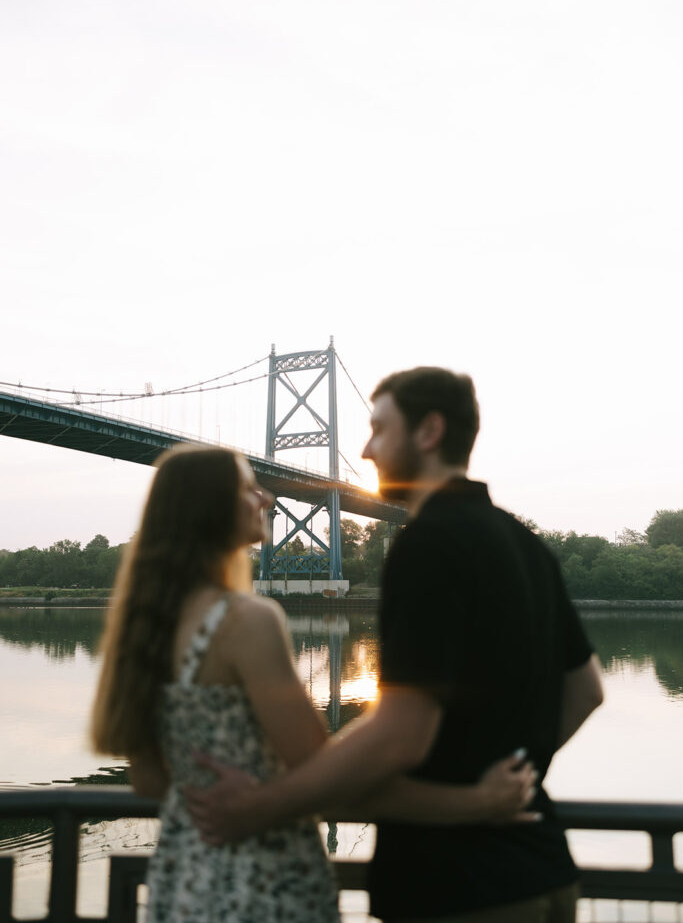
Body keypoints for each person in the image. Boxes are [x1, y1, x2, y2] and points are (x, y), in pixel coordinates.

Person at [187, 369, 604, 923]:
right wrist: (513, 774)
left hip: (454, 888)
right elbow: (586, 690)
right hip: (545, 872)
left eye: (379, 429)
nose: (364, 449)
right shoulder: (524, 542)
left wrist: (261, 804)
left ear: (429, 431)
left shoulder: (427, 543)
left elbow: (401, 735)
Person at [90, 442, 536, 923]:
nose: (266, 498)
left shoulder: (144, 628)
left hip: (182, 883)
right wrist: (476, 804)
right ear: (211, 508)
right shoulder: (246, 620)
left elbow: (153, 782)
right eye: (248, 488)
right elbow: (326, 777)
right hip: (264, 884)